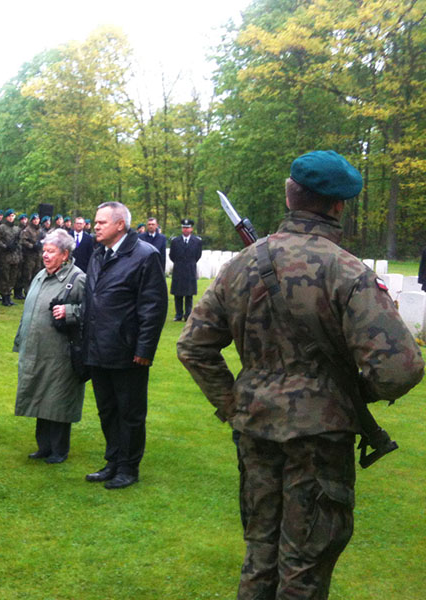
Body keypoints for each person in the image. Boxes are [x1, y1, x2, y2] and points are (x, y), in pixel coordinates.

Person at [177, 150, 425, 600]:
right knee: (304, 568)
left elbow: (193, 345)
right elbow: (400, 369)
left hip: (254, 431)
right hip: (320, 437)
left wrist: (234, 402)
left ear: (290, 196)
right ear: (338, 206)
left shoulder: (240, 264)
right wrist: (348, 391)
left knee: (259, 558)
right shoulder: (347, 271)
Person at [82, 201, 168, 489]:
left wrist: (144, 350)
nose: (95, 226)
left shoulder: (145, 256)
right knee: (107, 409)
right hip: (98, 347)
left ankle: (128, 467)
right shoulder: (98, 254)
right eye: (95, 222)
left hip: (127, 350)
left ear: (120, 225)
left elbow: (153, 308)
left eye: (101, 222)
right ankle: (113, 461)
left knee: (129, 411)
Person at [14, 229, 86, 464]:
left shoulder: (77, 278)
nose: (45, 255)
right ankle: (43, 447)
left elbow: (94, 312)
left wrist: (71, 311)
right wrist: (21, 340)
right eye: (44, 250)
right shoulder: (40, 275)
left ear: (65, 254)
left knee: (58, 399)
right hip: (37, 349)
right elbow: (30, 312)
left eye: (51, 251)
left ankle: (59, 449)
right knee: (39, 396)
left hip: (60, 352)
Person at [169, 218, 202, 321]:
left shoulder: (197, 241)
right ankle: (178, 314)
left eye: (187, 228)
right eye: (184, 228)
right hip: (178, 269)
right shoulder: (175, 241)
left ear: (191, 229)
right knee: (178, 294)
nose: (185, 230)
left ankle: (188, 314)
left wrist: (189, 263)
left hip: (190, 270)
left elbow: (197, 255)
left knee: (189, 294)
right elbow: (172, 255)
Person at [0, 208, 22, 306]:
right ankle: (4, 296)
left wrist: (16, 246)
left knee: (13, 277)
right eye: (10, 216)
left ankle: (9, 295)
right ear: (6, 217)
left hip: (15, 256)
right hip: (5, 256)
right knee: (4, 277)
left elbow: (20, 240)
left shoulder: (17, 229)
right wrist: (5, 246)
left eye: (13, 216)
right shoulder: (1, 228)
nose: (11, 218)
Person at [17, 213, 42, 298]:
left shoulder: (40, 230)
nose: (36, 221)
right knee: (28, 274)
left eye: (37, 219)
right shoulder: (27, 230)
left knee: (37, 273)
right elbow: (23, 241)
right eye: (34, 219)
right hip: (29, 255)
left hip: (38, 254)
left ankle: (35, 292)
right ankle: (27, 291)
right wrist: (32, 246)